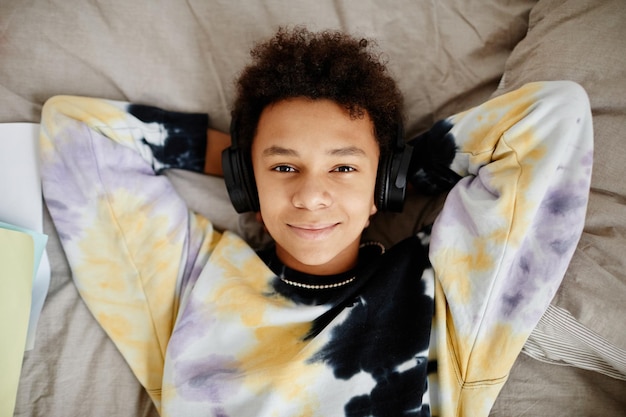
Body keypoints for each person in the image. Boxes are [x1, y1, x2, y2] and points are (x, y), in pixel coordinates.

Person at [39, 27, 593, 417]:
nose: (310, 194)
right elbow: (76, 133)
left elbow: (553, 117)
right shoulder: (195, 281)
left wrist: (396, 173)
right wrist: (236, 162)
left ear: (380, 182)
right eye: (283, 166)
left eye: (344, 167)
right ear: (246, 182)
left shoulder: (447, 293)